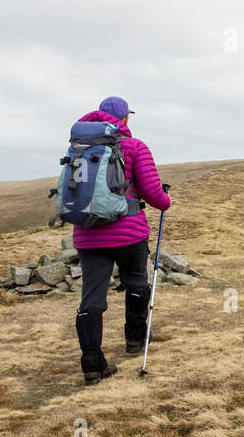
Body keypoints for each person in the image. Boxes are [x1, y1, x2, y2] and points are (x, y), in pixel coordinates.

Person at [72, 96, 172, 385]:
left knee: (91, 297)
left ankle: (92, 364)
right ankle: (135, 339)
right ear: (125, 119)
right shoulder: (134, 146)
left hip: (88, 233)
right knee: (137, 281)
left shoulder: (78, 146)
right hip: (128, 231)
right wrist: (165, 201)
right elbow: (154, 194)